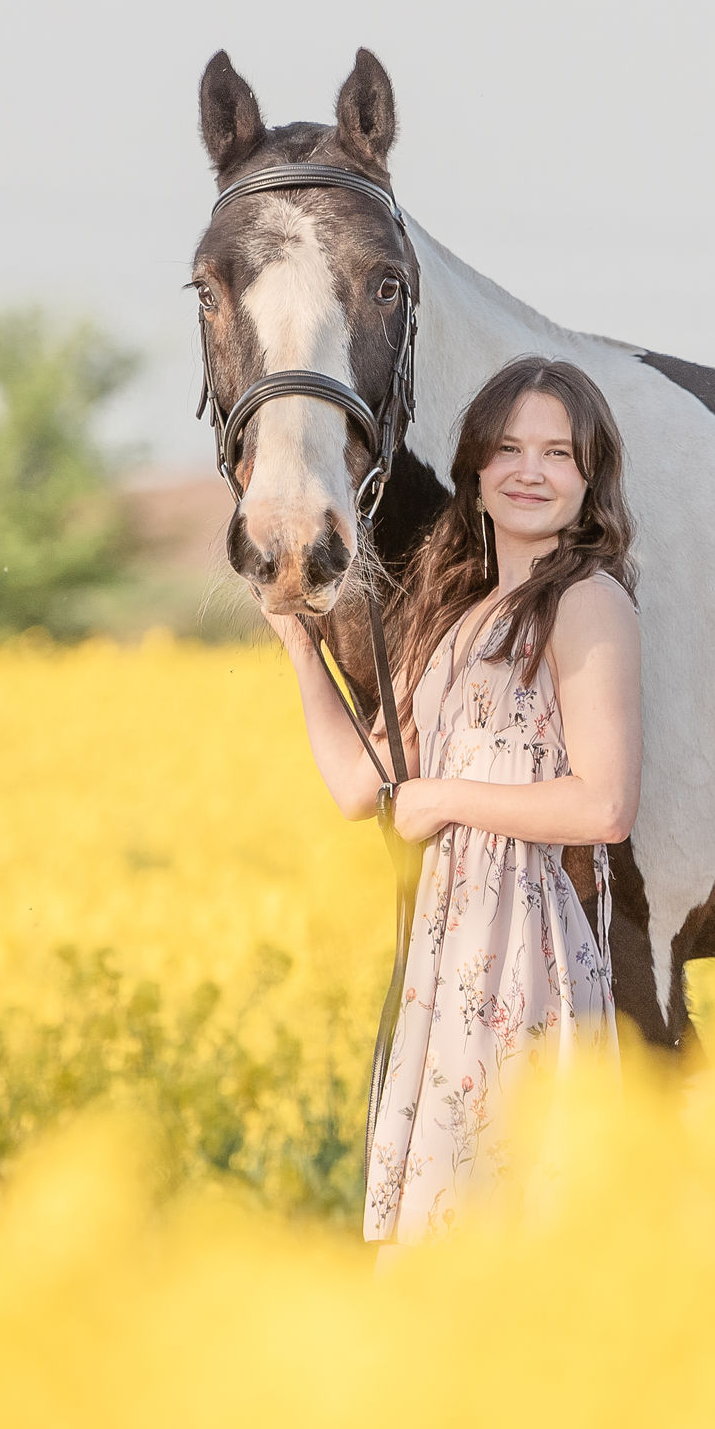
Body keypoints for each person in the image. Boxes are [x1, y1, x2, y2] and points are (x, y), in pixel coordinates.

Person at [263, 356, 642, 1246]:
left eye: (558, 453)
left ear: (590, 479)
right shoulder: (456, 616)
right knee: (442, 1231)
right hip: (451, 950)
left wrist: (442, 796)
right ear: (473, 468)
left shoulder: (586, 602)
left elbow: (604, 806)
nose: (530, 471)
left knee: (516, 1228)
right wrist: (298, 646)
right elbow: (360, 786)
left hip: (524, 950)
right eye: (508, 448)